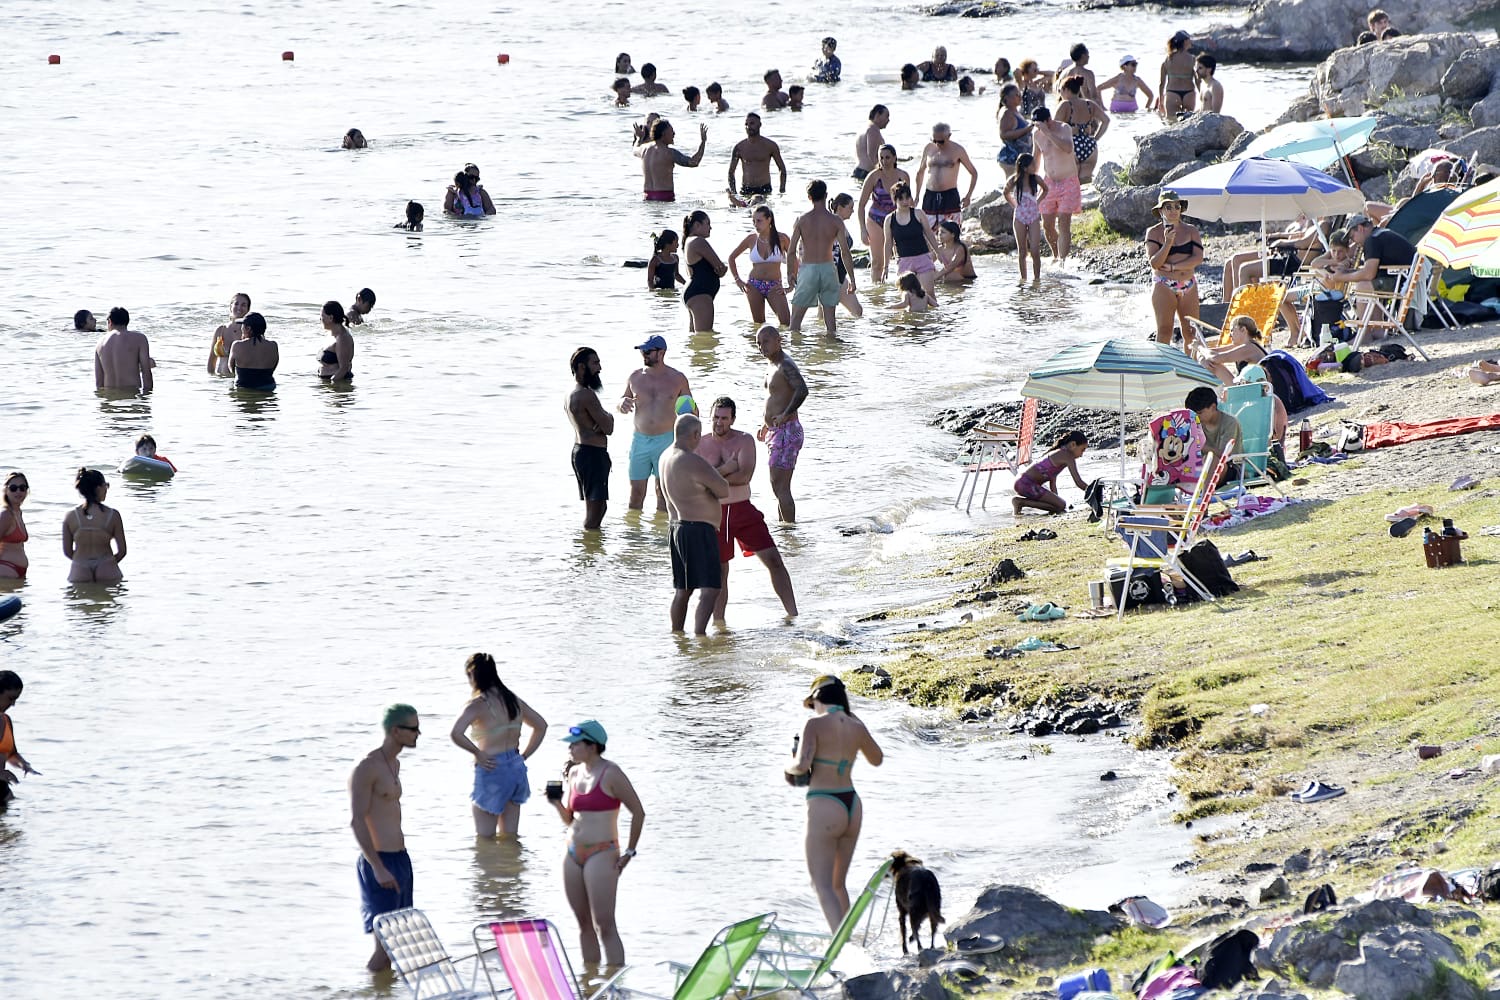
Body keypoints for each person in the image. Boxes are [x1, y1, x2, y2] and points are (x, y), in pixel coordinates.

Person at [785, 675, 883, 933]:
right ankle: (849, 938)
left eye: (812, 704)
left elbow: (802, 766)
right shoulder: (855, 725)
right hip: (851, 803)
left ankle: (843, 951)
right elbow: (877, 759)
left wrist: (788, 763)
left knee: (822, 885)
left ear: (818, 698)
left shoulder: (814, 724)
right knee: (838, 884)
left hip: (825, 803)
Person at [550, 720, 645, 966]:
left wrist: (629, 852)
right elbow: (570, 819)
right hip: (572, 853)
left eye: (575, 744)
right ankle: (590, 985)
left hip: (602, 853)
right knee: (583, 924)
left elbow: (638, 812)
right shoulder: (573, 772)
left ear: (592, 746)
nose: (570, 749)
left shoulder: (611, 773)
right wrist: (556, 804)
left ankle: (615, 984)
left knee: (604, 924)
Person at [696, 395, 798, 623]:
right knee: (720, 572)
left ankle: (793, 615)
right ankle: (720, 626)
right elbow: (698, 481)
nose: (718, 423)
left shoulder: (744, 440)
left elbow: (744, 476)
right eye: (715, 418)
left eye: (724, 418)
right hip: (714, 514)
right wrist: (728, 468)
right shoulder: (701, 443)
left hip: (743, 510)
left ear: (732, 419)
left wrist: (715, 474)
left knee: (774, 560)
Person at [350, 704, 420, 972]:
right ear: (395, 731)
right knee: (386, 948)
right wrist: (377, 867)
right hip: (379, 863)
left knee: (398, 943)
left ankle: (382, 992)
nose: (418, 734)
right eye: (413, 729)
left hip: (400, 859)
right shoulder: (367, 767)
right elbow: (357, 820)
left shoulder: (394, 763)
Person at [449, 652, 547, 838]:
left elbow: (455, 733)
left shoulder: (478, 704)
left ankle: (492, 868)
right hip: (516, 769)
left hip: (492, 768)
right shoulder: (514, 700)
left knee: (485, 839)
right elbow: (541, 726)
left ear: (473, 675)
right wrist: (524, 756)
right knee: (510, 838)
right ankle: (511, 867)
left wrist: (477, 752)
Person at [658, 414, 729, 633]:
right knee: (710, 589)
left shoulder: (665, 456)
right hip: (697, 529)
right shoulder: (691, 460)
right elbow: (723, 489)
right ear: (695, 434)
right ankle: (700, 636)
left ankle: (677, 635)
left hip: (676, 528)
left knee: (683, 589)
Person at [619, 335, 693, 513]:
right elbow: (623, 400)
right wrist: (622, 404)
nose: (644, 354)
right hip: (640, 440)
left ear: (662, 352)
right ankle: (634, 537)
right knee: (636, 493)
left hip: (666, 441)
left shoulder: (677, 378)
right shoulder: (635, 377)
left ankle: (660, 537)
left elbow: (690, 412)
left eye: (648, 351)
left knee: (663, 493)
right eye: (643, 351)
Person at [1195, 316, 1290, 444]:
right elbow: (1211, 353)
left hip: (1257, 393)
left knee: (1215, 366)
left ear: (1243, 330)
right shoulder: (1245, 346)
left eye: (1232, 330)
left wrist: (1200, 349)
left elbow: (1215, 357)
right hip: (1254, 391)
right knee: (1211, 363)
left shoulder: (1249, 348)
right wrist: (1202, 357)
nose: (1230, 335)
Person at [758, 327, 808, 523]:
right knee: (777, 486)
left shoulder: (785, 365)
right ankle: (785, 529)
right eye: (759, 343)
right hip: (776, 431)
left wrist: (786, 415)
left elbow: (802, 390)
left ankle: (789, 531)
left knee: (781, 487)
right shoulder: (772, 364)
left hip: (787, 431)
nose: (762, 347)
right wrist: (765, 424)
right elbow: (775, 397)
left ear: (779, 340)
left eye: (766, 341)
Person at [788, 180, 849, 336]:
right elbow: (845, 252)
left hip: (808, 269)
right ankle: (831, 352)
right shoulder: (836, 221)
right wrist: (853, 279)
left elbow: (791, 251)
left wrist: (790, 274)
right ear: (826, 195)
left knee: (795, 322)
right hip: (828, 268)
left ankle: (795, 353)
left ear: (809, 197)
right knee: (830, 323)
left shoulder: (802, 220)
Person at [1145, 191, 1204, 348]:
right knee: (1164, 331)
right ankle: (1161, 369)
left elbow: (1197, 258)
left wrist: (1173, 267)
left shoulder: (1191, 231)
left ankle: (1190, 369)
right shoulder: (1153, 232)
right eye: (1168, 207)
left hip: (1188, 284)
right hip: (1164, 284)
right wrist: (1168, 242)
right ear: (1161, 210)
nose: (1173, 211)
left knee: (1191, 331)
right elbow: (1155, 263)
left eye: (1177, 207)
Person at [567, 347, 615, 531]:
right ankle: (589, 551)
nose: (600, 368)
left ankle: (591, 550)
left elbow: (599, 424)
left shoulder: (571, 392)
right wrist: (608, 416)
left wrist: (600, 420)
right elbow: (609, 427)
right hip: (592, 455)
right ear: (581, 367)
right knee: (597, 509)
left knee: (595, 508)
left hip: (581, 451)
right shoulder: (586, 395)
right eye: (595, 363)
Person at [728, 205, 793, 327]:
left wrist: (791, 284)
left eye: (759, 221)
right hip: (754, 285)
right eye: (753, 221)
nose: (755, 225)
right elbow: (731, 258)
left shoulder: (782, 238)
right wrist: (737, 280)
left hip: (775, 285)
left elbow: (793, 260)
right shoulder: (751, 239)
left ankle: (783, 346)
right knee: (758, 325)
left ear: (769, 220)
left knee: (786, 323)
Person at [1031, 108, 1080, 262]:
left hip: (1068, 181)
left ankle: (1063, 262)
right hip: (1049, 183)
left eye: (1041, 124)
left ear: (1049, 120)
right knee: (1047, 225)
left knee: (1064, 222)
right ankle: (1056, 255)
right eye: (1036, 125)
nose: (1039, 128)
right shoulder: (1036, 135)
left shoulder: (1064, 128)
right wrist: (1029, 179)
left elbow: (1068, 148)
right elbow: (1036, 160)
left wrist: (1049, 133)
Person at [61, 468, 126, 583]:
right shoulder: (112, 515)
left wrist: (81, 561)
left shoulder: (70, 516)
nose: (107, 489)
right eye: (106, 485)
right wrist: (108, 563)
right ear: (98, 488)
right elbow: (122, 551)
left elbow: (67, 551)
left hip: (80, 567)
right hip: (106, 565)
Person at [857, 144, 909, 283]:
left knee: (902, 260)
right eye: (881, 158)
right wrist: (862, 229)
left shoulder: (903, 176)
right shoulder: (873, 176)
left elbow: (907, 202)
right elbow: (861, 204)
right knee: (877, 262)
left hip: (896, 220)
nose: (884, 161)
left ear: (894, 158)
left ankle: (903, 290)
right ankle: (877, 295)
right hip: (876, 220)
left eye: (887, 157)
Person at [913, 123, 977, 231]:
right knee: (927, 232)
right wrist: (917, 196)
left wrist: (968, 196)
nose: (938, 144)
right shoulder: (928, 148)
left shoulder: (958, 150)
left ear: (949, 136)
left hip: (949, 196)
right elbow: (920, 173)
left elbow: (973, 173)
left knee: (951, 233)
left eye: (941, 141)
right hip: (930, 196)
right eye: (934, 140)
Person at [882, 181, 942, 298]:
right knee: (908, 297)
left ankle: (935, 316)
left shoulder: (918, 214)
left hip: (922, 258)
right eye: (901, 199)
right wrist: (886, 266)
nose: (905, 202)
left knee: (928, 294)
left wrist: (938, 253)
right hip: (904, 261)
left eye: (907, 198)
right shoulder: (889, 219)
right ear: (895, 200)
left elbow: (929, 234)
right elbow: (888, 243)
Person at [1012, 430, 1089, 515]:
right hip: (1026, 483)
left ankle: (1020, 503)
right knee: (1061, 505)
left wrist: (1056, 500)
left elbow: (1053, 482)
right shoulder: (1067, 456)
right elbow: (1078, 482)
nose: (1082, 455)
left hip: (1021, 482)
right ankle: (1021, 502)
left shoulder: (1059, 454)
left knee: (1059, 506)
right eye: (1082, 450)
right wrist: (1093, 491)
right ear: (1073, 445)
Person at [1340, 213, 1417, 295]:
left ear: (1360, 229)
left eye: (1352, 237)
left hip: (1408, 282)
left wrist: (1341, 277)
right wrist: (1348, 272)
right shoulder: (1379, 234)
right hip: (1412, 278)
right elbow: (1371, 270)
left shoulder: (1372, 239)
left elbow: (1368, 274)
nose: (1354, 241)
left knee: (1363, 287)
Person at [1055, 75, 1110, 185]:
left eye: (1060, 90)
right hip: (1089, 145)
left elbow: (1054, 128)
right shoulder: (1090, 104)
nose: (1060, 93)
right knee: (1085, 182)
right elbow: (1106, 120)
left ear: (1066, 90)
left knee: (1071, 182)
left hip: (1071, 145)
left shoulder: (1065, 105)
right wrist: (1095, 138)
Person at [1005, 152, 1048, 283]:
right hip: (1019, 217)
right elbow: (1005, 192)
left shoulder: (1036, 179)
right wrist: (1014, 205)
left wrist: (1037, 202)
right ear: (1024, 167)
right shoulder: (1014, 180)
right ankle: (1023, 279)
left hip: (1033, 215)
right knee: (1022, 251)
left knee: (1035, 249)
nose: (1035, 166)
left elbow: (1045, 189)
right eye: (1032, 164)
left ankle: (1037, 279)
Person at [681, 211, 727, 332]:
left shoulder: (689, 241)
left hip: (695, 293)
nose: (710, 227)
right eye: (708, 223)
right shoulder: (698, 241)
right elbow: (720, 268)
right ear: (697, 225)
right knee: (704, 339)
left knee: (695, 339)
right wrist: (722, 269)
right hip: (700, 295)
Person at [0, 671, 40, 809]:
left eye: (16, 699)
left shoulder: (5, 720)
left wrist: (24, 765)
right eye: (10, 698)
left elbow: (11, 754)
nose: (13, 704)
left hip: (2, 789)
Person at [641, 119, 707, 202]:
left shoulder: (643, 149)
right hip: (665, 197)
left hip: (647, 197)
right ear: (663, 134)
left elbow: (634, 149)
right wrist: (703, 142)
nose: (674, 134)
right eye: (671, 131)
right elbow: (694, 162)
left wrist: (639, 138)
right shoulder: (669, 153)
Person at [1185, 386, 1241, 479]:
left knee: (1211, 459)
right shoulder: (1195, 424)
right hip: (1202, 467)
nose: (1196, 417)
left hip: (1229, 468)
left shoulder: (1230, 423)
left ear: (1213, 407)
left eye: (1199, 413)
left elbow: (1224, 455)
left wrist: (1202, 446)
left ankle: (1203, 492)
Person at [728, 113, 788, 198]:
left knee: (765, 211)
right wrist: (734, 194)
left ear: (760, 125)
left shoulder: (770, 146)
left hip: (764, 189)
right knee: (745, 211)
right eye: (746, 124)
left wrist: (782, 191)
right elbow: (731, 172)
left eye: (752, 123)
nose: (749, 127)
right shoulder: (739, 148)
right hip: (746, 190)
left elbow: (782, 169)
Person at [94, 307, 154, 392]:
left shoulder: (100, 343)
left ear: (110, 322)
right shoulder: (140, 339)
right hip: (131, 395)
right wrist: (146, 398)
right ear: (127, 321)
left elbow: (99, 382)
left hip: (109, 397)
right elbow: (146, 373)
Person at [828, 193, 865, 318]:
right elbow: (833, 252)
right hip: (830, 277)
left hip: (841, 277)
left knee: (857, 312)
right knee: (824, 317)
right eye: (850, 207)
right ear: (840, 207)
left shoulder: (841, 224)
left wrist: (850, 278)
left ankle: (846, 330)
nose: (853, 211)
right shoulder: (832, 224)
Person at [228, 312, 278, 391]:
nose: (241, 328)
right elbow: (273, 367)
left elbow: (231, 369)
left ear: (248, 328)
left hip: (244, 388)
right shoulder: (273, 345)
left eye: (242, 326)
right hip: (268, 387)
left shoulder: (237, 345)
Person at [207, 292, 251, 376]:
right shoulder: (220, 330)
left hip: (239, 382)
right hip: (220, 380)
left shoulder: (250, 331)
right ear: (231, 306)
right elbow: (211, 360)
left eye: (243, 305)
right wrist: (211, 382)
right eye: (236, 303)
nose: (239, 307)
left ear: (248, 309)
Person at [995, 83, 1033, 179]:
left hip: (1018, 158)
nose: (1020, 97)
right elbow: (1003, 134)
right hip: (1010, 158)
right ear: (1007, 98)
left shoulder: (1015, 111)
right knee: (1013, 188)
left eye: (1019, 94)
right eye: (1016, 95)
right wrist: (1026, 129)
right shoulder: (1007, 113)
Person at [1157, 30, 1196, 120]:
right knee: (1189, 122)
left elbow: (1161, 83)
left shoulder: (1168, 59)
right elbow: (1197, 80)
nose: (1191, 41)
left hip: (1172, 93)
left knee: (1171, 122)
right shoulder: (1192, 59)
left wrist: (1161, 101)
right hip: (1189, 93)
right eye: (1189, 39)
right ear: (1185, 41)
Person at [0, 473, 30, 581]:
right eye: (13, 488)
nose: (18, 492)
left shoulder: (17, 512)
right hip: (6, 569)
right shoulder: (6, 515)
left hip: (17, 571)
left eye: (22, 488)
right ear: (6, 491)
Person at [319, 300, 355, 382]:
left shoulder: (343, 338)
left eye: (322, 316)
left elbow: (344, 368)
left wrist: (332, 385)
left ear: (331, 318)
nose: (320, 319)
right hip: (328, 383)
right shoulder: (331, 334)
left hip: (339, 385)